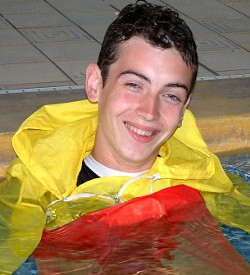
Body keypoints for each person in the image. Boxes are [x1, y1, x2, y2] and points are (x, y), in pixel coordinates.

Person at [0, 1, 249, 273]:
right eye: (134, 84)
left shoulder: (203, 178)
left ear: (184, 108)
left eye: (170, 95)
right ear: (96, 84)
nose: (149, 111)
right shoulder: (37, 190)